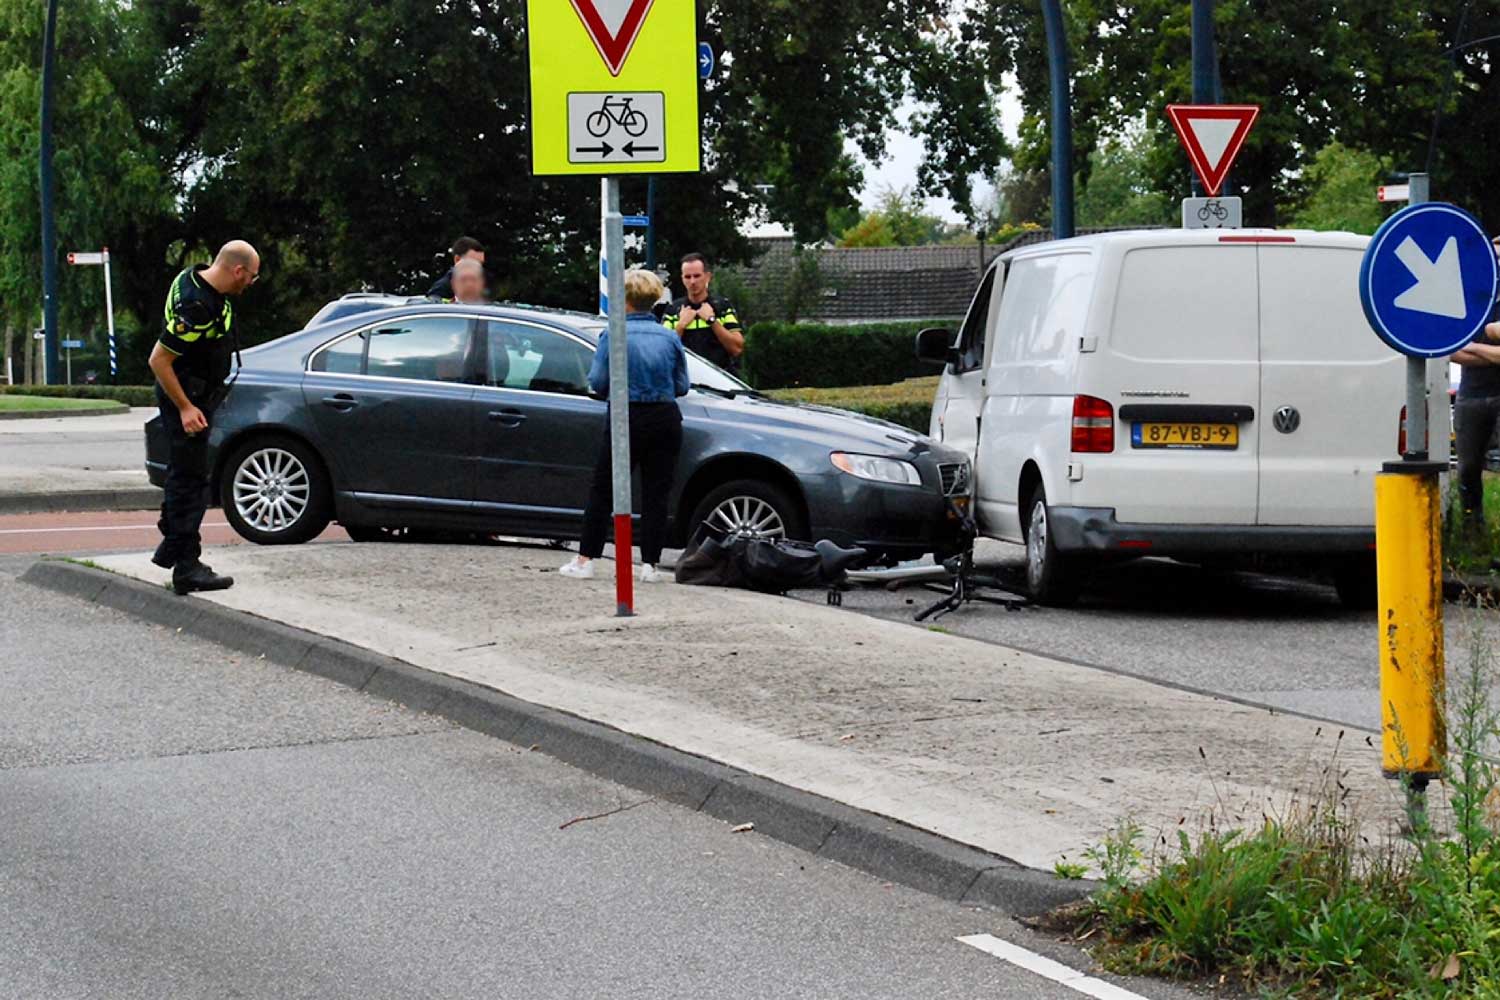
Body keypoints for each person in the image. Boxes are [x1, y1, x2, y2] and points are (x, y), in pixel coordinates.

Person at [561, 268, 689, 584]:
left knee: (604, 489)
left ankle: (586, 558)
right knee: (656, 493)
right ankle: (649, 565)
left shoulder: (613, 334)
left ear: (625, 300)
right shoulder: (670, 336)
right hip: (664, 416)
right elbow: (682, 385)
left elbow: (599, 381)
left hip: (626, 416)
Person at [147, 240, 260, 595]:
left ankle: (175, 542)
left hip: (198, 396)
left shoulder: (193, 277)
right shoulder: (197, 306)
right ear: (237, 270)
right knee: (191, 483)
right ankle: (186, 566)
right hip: (187, 399)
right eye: (252, 277)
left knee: (186, 477)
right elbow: (158, 360)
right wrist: (184, 407)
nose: (251, 284)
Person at [1451, 237, 1500, 535]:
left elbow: (1467, 348)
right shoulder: (1469, 298)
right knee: (1467, 467)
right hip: (1471, 395)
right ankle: (1472, 528)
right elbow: (1453, 351)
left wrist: (1475, 346)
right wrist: (1491, 351)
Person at [663, 252, 744, 373]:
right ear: (682, 279)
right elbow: (663, 351)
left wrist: (712, 321)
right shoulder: (673, 310)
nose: (692, 282)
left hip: (720, 377)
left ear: (707, 277)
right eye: (687, 277)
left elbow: (737, 348)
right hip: (686, 380)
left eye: (697, 276)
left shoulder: (722, 307)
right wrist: (680, 326)